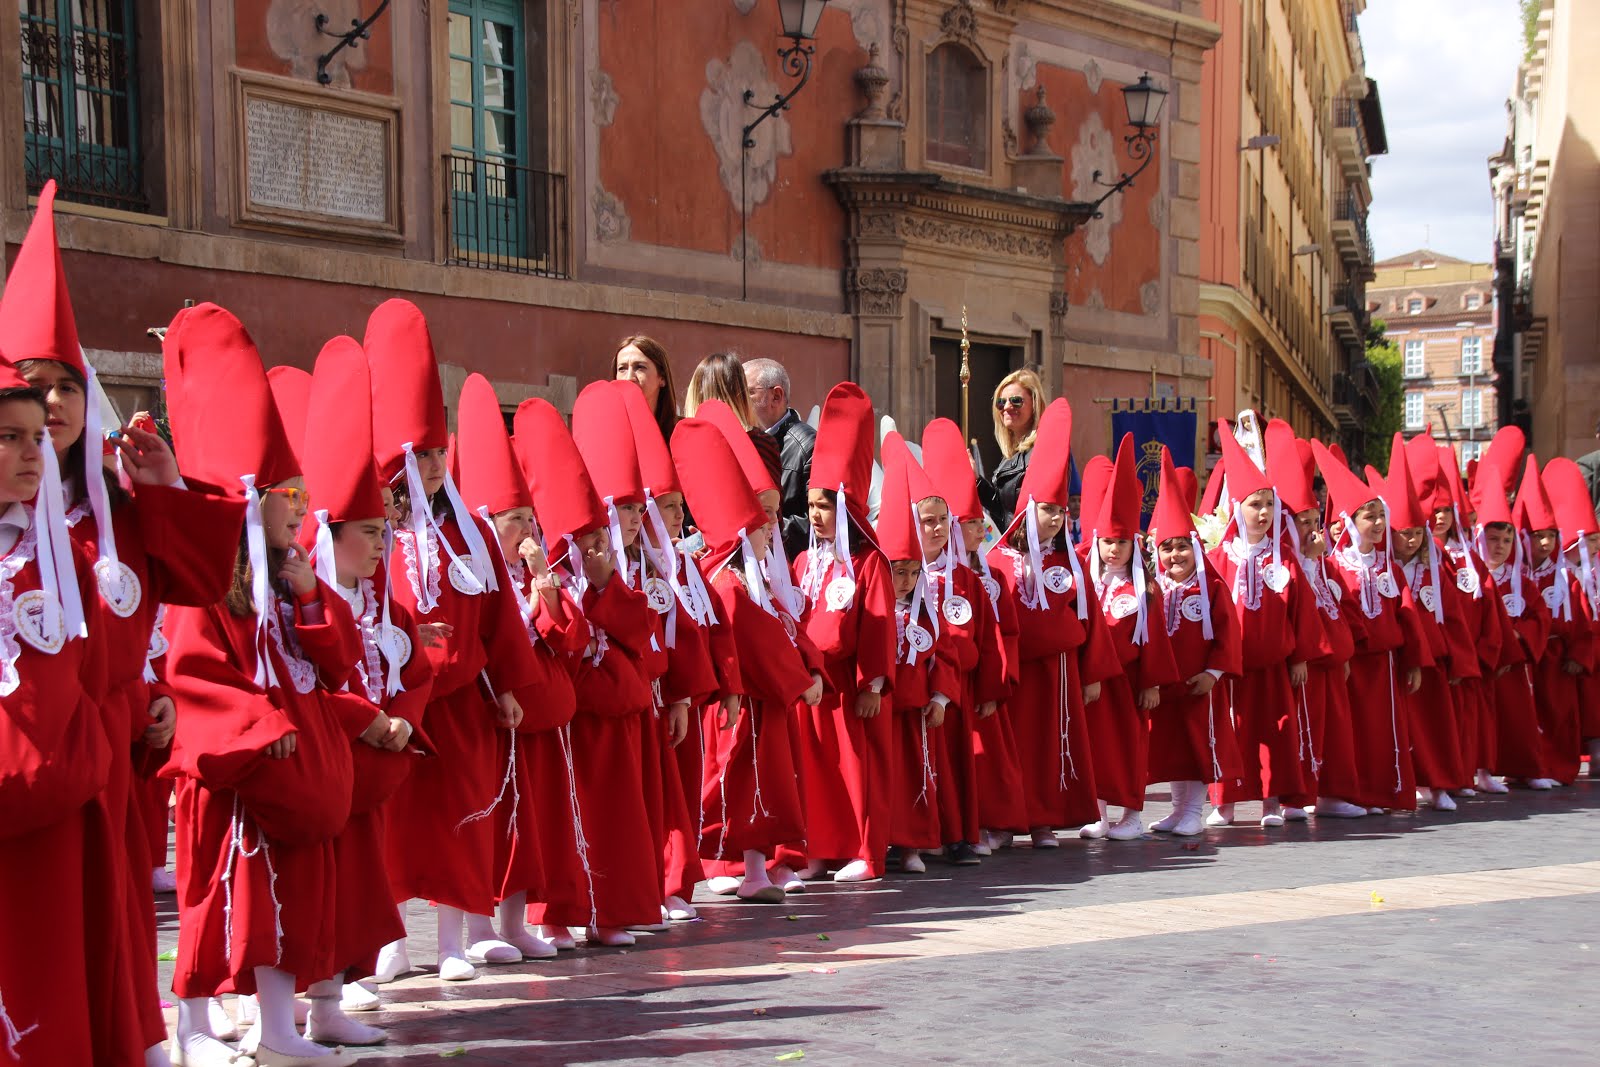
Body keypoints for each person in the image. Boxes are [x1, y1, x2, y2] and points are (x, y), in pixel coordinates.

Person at [161, 303, 361, 1066]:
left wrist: (313, 598)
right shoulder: (209, 582)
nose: (302, 510)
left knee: (286, 908)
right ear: (253, 500)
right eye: (289, 498)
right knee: (214, 904)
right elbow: (193, 669)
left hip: (289, 775)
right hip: (234, 779)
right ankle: (197, 1025)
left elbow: (338, 659)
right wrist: (253, 728)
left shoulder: (291, 579)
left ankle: (279, 1026)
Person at [1146, 448, 1243, 837]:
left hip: (1200, 684)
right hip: (1168, 686)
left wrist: (1214, 672)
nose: (1175, 555)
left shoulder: (1212, 587)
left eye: (1182, 546)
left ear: (1196, 547)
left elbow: (1227, 632)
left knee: (1200, 746)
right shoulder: (1154, 590)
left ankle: (1194, 811)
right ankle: (1176, 809)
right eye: (1166, 548)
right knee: (1173, 748)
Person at [744, 357, 816, 560]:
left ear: (776, 396)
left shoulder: (808, 446)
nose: (738, 402)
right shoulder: (745, 441)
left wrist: (759, 529)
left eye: (747, 393)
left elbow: (814, 522)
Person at [684, 352, 782, 489]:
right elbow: (773, 505)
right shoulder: (759, 443)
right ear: (741, 393)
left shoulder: (682, 444)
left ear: (695, 392)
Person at [977, 368, 1048, 533]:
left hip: (1029, 549)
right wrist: (976, 480)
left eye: (1016, 401)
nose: (1007, 407)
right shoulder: (1012, 454)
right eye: (1001, 402)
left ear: (1035, 404)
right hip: (1010, 544)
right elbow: (1004, 510)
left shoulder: (1040, 451)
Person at [615, 336, 681, 445]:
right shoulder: (606, 432)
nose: (629, 377)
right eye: (622, 369)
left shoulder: (680, 434)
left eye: (640, 367)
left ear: (662, 377)